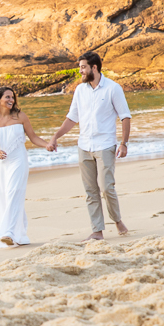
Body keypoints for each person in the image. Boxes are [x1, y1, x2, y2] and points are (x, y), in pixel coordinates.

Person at [47, 51, 131, 240]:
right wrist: (56, 136)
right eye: (80, 68)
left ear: (94, 68)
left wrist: (124, 143)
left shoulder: (113, 88)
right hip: (84, 146)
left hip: (105, 145)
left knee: (106, 187)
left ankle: (117, 220)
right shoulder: (79, 90)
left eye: (83, 67)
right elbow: (72, 118)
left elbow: (125, 116)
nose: (80, 71)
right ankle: (97, 231)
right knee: (90, 191)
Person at [0, 86, 52, 248]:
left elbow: (33, 137)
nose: (11, 100)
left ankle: (9, 233)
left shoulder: (20, 116)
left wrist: (46, 145)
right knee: (4, 196)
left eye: (12, 97)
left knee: (14, 192)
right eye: (7, 97)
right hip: (0, 162)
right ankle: (18, 234)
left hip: (18, 159)